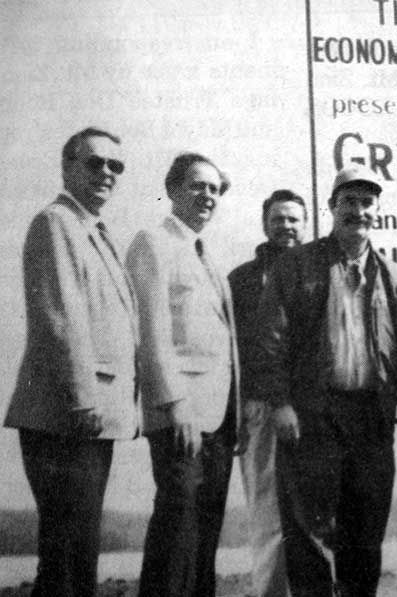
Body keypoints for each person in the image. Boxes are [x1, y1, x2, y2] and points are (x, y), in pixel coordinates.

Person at [251, 165, 397, 597]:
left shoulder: (395, 277)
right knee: (309, 534)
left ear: (378, 211)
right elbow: (269, 339)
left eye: (367, 203)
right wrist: (281, 403)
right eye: (349, 201)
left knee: (365, 531)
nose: (358, 211)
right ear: (331, 207)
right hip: (313, 414)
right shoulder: (296, 266)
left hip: (370, 418)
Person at [4, 128, 138, 597]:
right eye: (94, 162)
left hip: (86, 419)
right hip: (66, 417)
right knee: (65, 558)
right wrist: (84, 403)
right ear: (67, 167)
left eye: (115, 166)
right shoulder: (56, 223)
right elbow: (61, 320)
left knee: (77, 554)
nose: (106, 173)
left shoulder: (92, 231)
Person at [126, 152, 241, 597]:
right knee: (176, 534)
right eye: (198, 186)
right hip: (183, 419)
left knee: (204, 539)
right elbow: (150, 333)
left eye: (214, 189)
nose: (207, 196)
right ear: (173, 189)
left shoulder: (208, 256)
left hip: (218, 422)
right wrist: (175, 407)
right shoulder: (152, 243)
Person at [229, 189, 308, 597]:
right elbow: (240, 350)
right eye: (279, 219)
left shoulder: (317, 270)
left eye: (294, 219)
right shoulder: (243, 279)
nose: (287, 226)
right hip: (262, 408)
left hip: (311, 409)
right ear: (265, 224)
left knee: (310, 513)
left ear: (305, 224)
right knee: (267, 511)